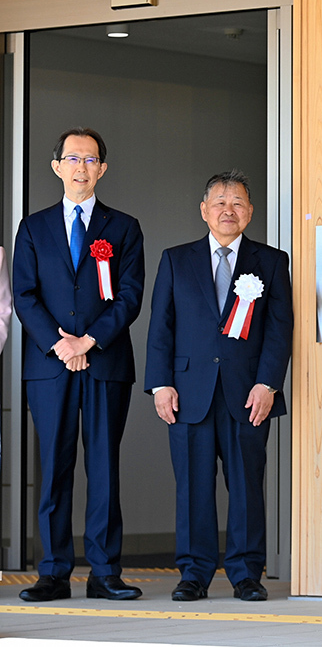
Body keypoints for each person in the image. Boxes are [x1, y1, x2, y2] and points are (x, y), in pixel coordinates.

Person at [144, 170, 293, 602]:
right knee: (192, 485)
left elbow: (280, 329)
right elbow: (161, 328)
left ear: (250, 212)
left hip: (248, 394)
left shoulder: (270, 261)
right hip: (188, 392)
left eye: (238, 203)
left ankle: (247, 573)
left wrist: (268, 384)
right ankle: (194, 573)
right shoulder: (176, 259)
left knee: (246, 484)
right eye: (220, 202)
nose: (229, 210)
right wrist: (160, 385)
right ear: (204, 210)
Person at [13, 127, 145, 602]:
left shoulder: (124, 227)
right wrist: (61, 345)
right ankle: (53, 571)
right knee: (55, 468)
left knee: (105, 468)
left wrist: (89, 341)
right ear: (56, 166)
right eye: (73, 158)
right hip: (50, 367)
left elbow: (129, 297)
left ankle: (105, 572)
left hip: (105, 363)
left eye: (91, 160)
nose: (81, 167)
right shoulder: (33, 227)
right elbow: (24, 296)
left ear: (102, 169)